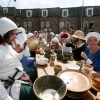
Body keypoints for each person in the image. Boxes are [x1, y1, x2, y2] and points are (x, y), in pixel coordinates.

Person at [0, 17, 37, 100]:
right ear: (4, 33)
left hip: (20, 76)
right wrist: (6, 98)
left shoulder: (7, 46)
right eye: (13, 34)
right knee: (37, 94)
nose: (15, 37)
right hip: (12, 85)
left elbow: (15, 60)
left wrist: (19, 51)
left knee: (37, 74)